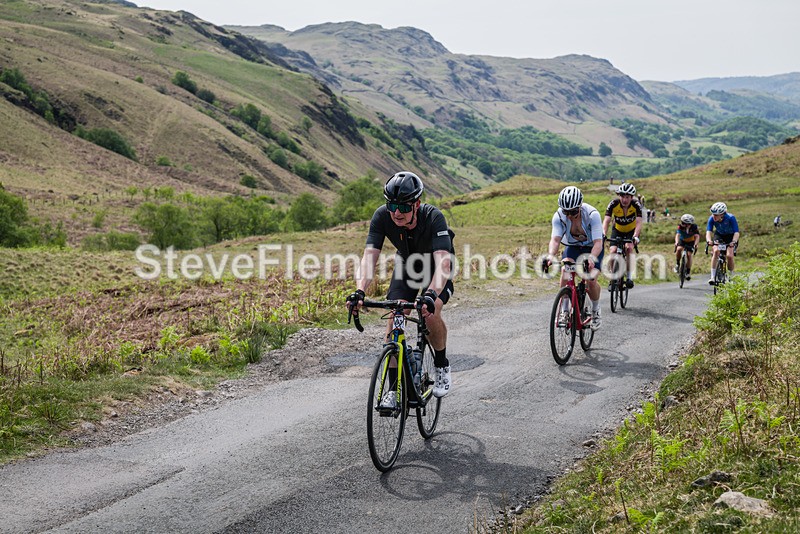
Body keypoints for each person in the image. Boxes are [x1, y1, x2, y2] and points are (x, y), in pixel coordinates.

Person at [346, 171, 455, 403]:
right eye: (392, 205)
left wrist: (430, 294)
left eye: (404, 207)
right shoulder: (382, 216)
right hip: (407, 264)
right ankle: (393, 389)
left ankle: (441, 364)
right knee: (395, 318)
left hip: (435, 266)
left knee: (431, 310)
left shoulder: (433, 217)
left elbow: (444, 262)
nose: (396, 213)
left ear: (416, 204)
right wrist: (360, 291)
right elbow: (369, 257)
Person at [545, 186, 604, 330]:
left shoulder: (592, 215)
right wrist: (550, 256)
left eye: (573, 212)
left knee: (590, 280)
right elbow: (555, 240)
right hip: (573, 247)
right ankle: (565, 311)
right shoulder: (559, 216)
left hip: (592, 247)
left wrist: (591, 259)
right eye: (566, 212)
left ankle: (596, 311)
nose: (569, 216)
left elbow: (598, 243)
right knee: (565, 271)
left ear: (580, 207)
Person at [602, 182, 643, 290]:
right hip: (617, 230)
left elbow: (639, 222)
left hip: (631, 231)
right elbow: (606, 220)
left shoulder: (636, 205)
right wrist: (603, 234)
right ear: (619, 196)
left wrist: (636, 236)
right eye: (622, 196)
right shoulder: (613, 204)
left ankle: (629, 277)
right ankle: (612, 278)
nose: (624, 200)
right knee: (612, 251)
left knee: (629, 248)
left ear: (631, 197)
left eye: (627, 197)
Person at [706, 202, 740, 284]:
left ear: (722, 214)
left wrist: (734, 241)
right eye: (713, 214)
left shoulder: (731, 218)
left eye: (716, 215)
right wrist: (709, 240)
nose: (714, 216)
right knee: (716, 251)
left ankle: (731, 277)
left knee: (729, 256)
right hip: (719, 235)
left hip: (731, 237)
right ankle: (712, 277)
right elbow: (708, 231)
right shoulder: (711, 219)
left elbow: (736, 232)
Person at [674, 214, 700, 279]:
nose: (683, 225)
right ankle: (677, 264)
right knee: (679, 249)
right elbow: (678, 235)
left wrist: (696, 244)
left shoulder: (694, 227)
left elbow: (697, 236)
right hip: (682, 240)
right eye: (682, 223)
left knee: (689, 255)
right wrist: (676, 242)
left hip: (691, 241)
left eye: (685, 223)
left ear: (690, 224)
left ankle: (688, 272)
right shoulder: (680, 226)